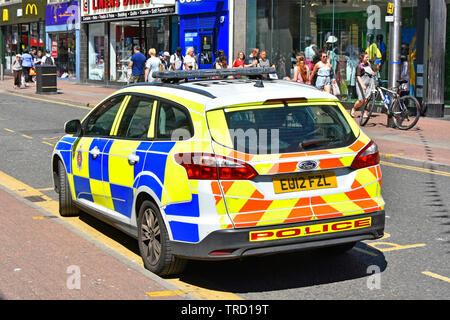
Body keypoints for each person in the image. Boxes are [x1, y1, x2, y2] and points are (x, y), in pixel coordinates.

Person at [351, 52, 376, 117]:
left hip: (369, 84)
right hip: (361, 84)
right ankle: (354, 109)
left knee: (367, 99)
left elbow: (372, 72)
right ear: (362, 58)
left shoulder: (369, 64)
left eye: (368, 57)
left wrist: (373, 73)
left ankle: (365, 113)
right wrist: (362, 85)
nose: (368, 58)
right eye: (366, 57)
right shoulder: (359, 66)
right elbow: (358, 76)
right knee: (361, 100)